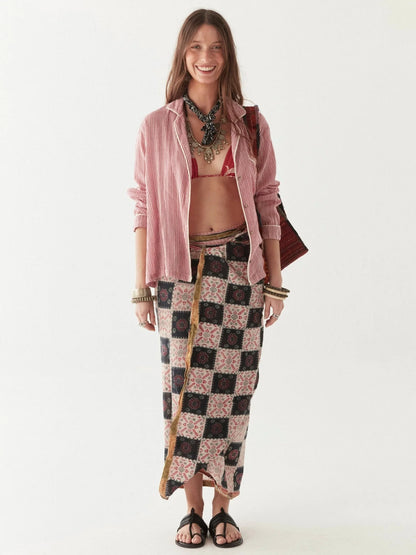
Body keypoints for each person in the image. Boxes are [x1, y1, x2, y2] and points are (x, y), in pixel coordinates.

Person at [127, 8, 290, 548]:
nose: (206, 57)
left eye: (216, 46)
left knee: (234, 394)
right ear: (183, 54)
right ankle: (191, 510)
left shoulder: (251, 125)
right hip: (180, 275)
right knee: (185, 394)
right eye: (196, 46)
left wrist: (274, 280)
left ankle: (224, 508)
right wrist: (140, 288)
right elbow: (143, 206)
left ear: (228, 55)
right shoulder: (156, 126)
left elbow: (267, 203)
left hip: (240, 270)